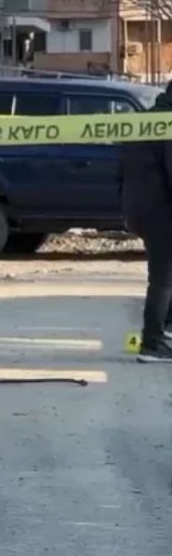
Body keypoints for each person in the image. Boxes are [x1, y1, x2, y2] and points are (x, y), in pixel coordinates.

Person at [119, 81, 172, 362]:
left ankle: (165, 330)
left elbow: (121, 170)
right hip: (162, 212)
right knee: (162, 279)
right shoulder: (167, 125)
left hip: (138, 209)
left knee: (166, 275)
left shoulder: (142, 121)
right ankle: (152, 343)